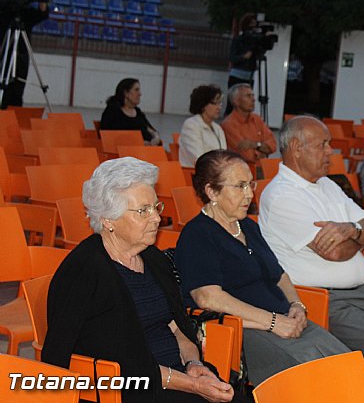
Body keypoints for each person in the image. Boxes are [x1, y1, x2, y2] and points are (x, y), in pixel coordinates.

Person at [259, 116, 364, 403]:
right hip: (325, 301)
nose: (330, 152)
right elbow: (333, 253)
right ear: (297, 147)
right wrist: (358, 235)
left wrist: (351, 230)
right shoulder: (280, 196)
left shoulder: (327, 185)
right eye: (322, 145)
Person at [42, 157, 234, 403]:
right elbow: (118, 364)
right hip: (127, 390)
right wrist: (192, 385)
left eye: (156, 207)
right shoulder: (84, 272)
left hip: (176, 376)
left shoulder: (152, 258)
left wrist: (194, 363)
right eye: (143, 211)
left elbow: (176, 324)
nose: (156, 219)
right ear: (108, 219)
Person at [174, 150, 350, 386]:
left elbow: (279, 274)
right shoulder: (198, 234)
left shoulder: (248, 226)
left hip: (283, 320)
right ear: (211, 191)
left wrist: (297, 305)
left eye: (250, 184)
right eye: (239, 186)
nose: (249, 194)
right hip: (243, 331)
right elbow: (208, 298)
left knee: (347, 363)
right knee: (318, 377)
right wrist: (274, 322)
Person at [0, 0, 48, 108]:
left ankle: (15, 116)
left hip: (21, 55)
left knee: (18, 88)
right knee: (4, 86)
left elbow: (41, 14)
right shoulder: (5, 10)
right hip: (6, 52)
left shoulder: (27, 12)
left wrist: (43, 0)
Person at [221, 83, 276, 167]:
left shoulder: (257, 119)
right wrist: (263, 151)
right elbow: (248, 155)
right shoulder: (228, 125)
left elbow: (273, 145)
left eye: (253, 96)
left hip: (262, 167)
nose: (253, 99)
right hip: (241, 170)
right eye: (248, 96)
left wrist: (254, 145)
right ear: (236, 101)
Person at [100, 78, 161, 146]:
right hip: (124, 152)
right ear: (126, 93)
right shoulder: (112, 111)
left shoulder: (138, 112)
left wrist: (156, 137)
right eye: (136, 90)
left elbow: (151, 129)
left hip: (146, 150)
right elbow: (108, 137)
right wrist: (138, 144)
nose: (140, 94)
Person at [179, 84, 227, 168]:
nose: (219, 107)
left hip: (216, 171)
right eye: (215, 103)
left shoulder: (218, 128)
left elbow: (224, 154)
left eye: (220, 103)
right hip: (196, 173)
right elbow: (198, 158)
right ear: (203, 105)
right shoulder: (191, 125)